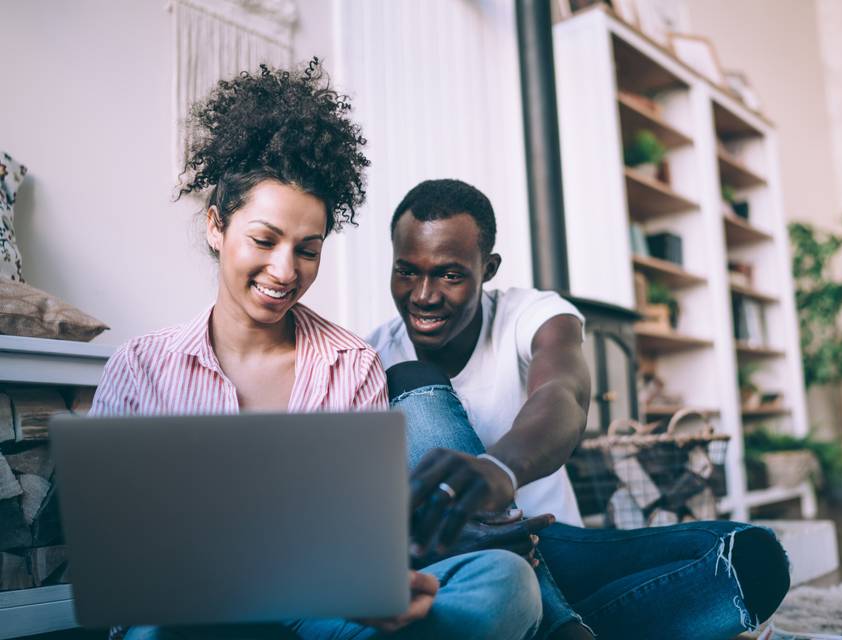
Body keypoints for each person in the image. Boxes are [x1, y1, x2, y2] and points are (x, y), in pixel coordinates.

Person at [89, 63, 542, 640]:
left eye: (308, 249)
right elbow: (110, 550)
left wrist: (380, 579)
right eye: (263, 240)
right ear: (214, 227)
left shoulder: (351, 364)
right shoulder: (143, 367)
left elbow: (362, 532)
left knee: (503, 581)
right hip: (192, 612)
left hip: (322, 608)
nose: (285, 271)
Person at [367, 178, 792, 639]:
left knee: (752, 557)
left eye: (449, 275)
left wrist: (498, 470)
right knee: (412, 378)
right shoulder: (370, 358)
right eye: (406, 271)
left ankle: (544, 626)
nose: (424, 294)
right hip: (460, 571)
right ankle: (559, 625)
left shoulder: (531, 314)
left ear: (487, 268)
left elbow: (563, 393)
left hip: (561, 550)